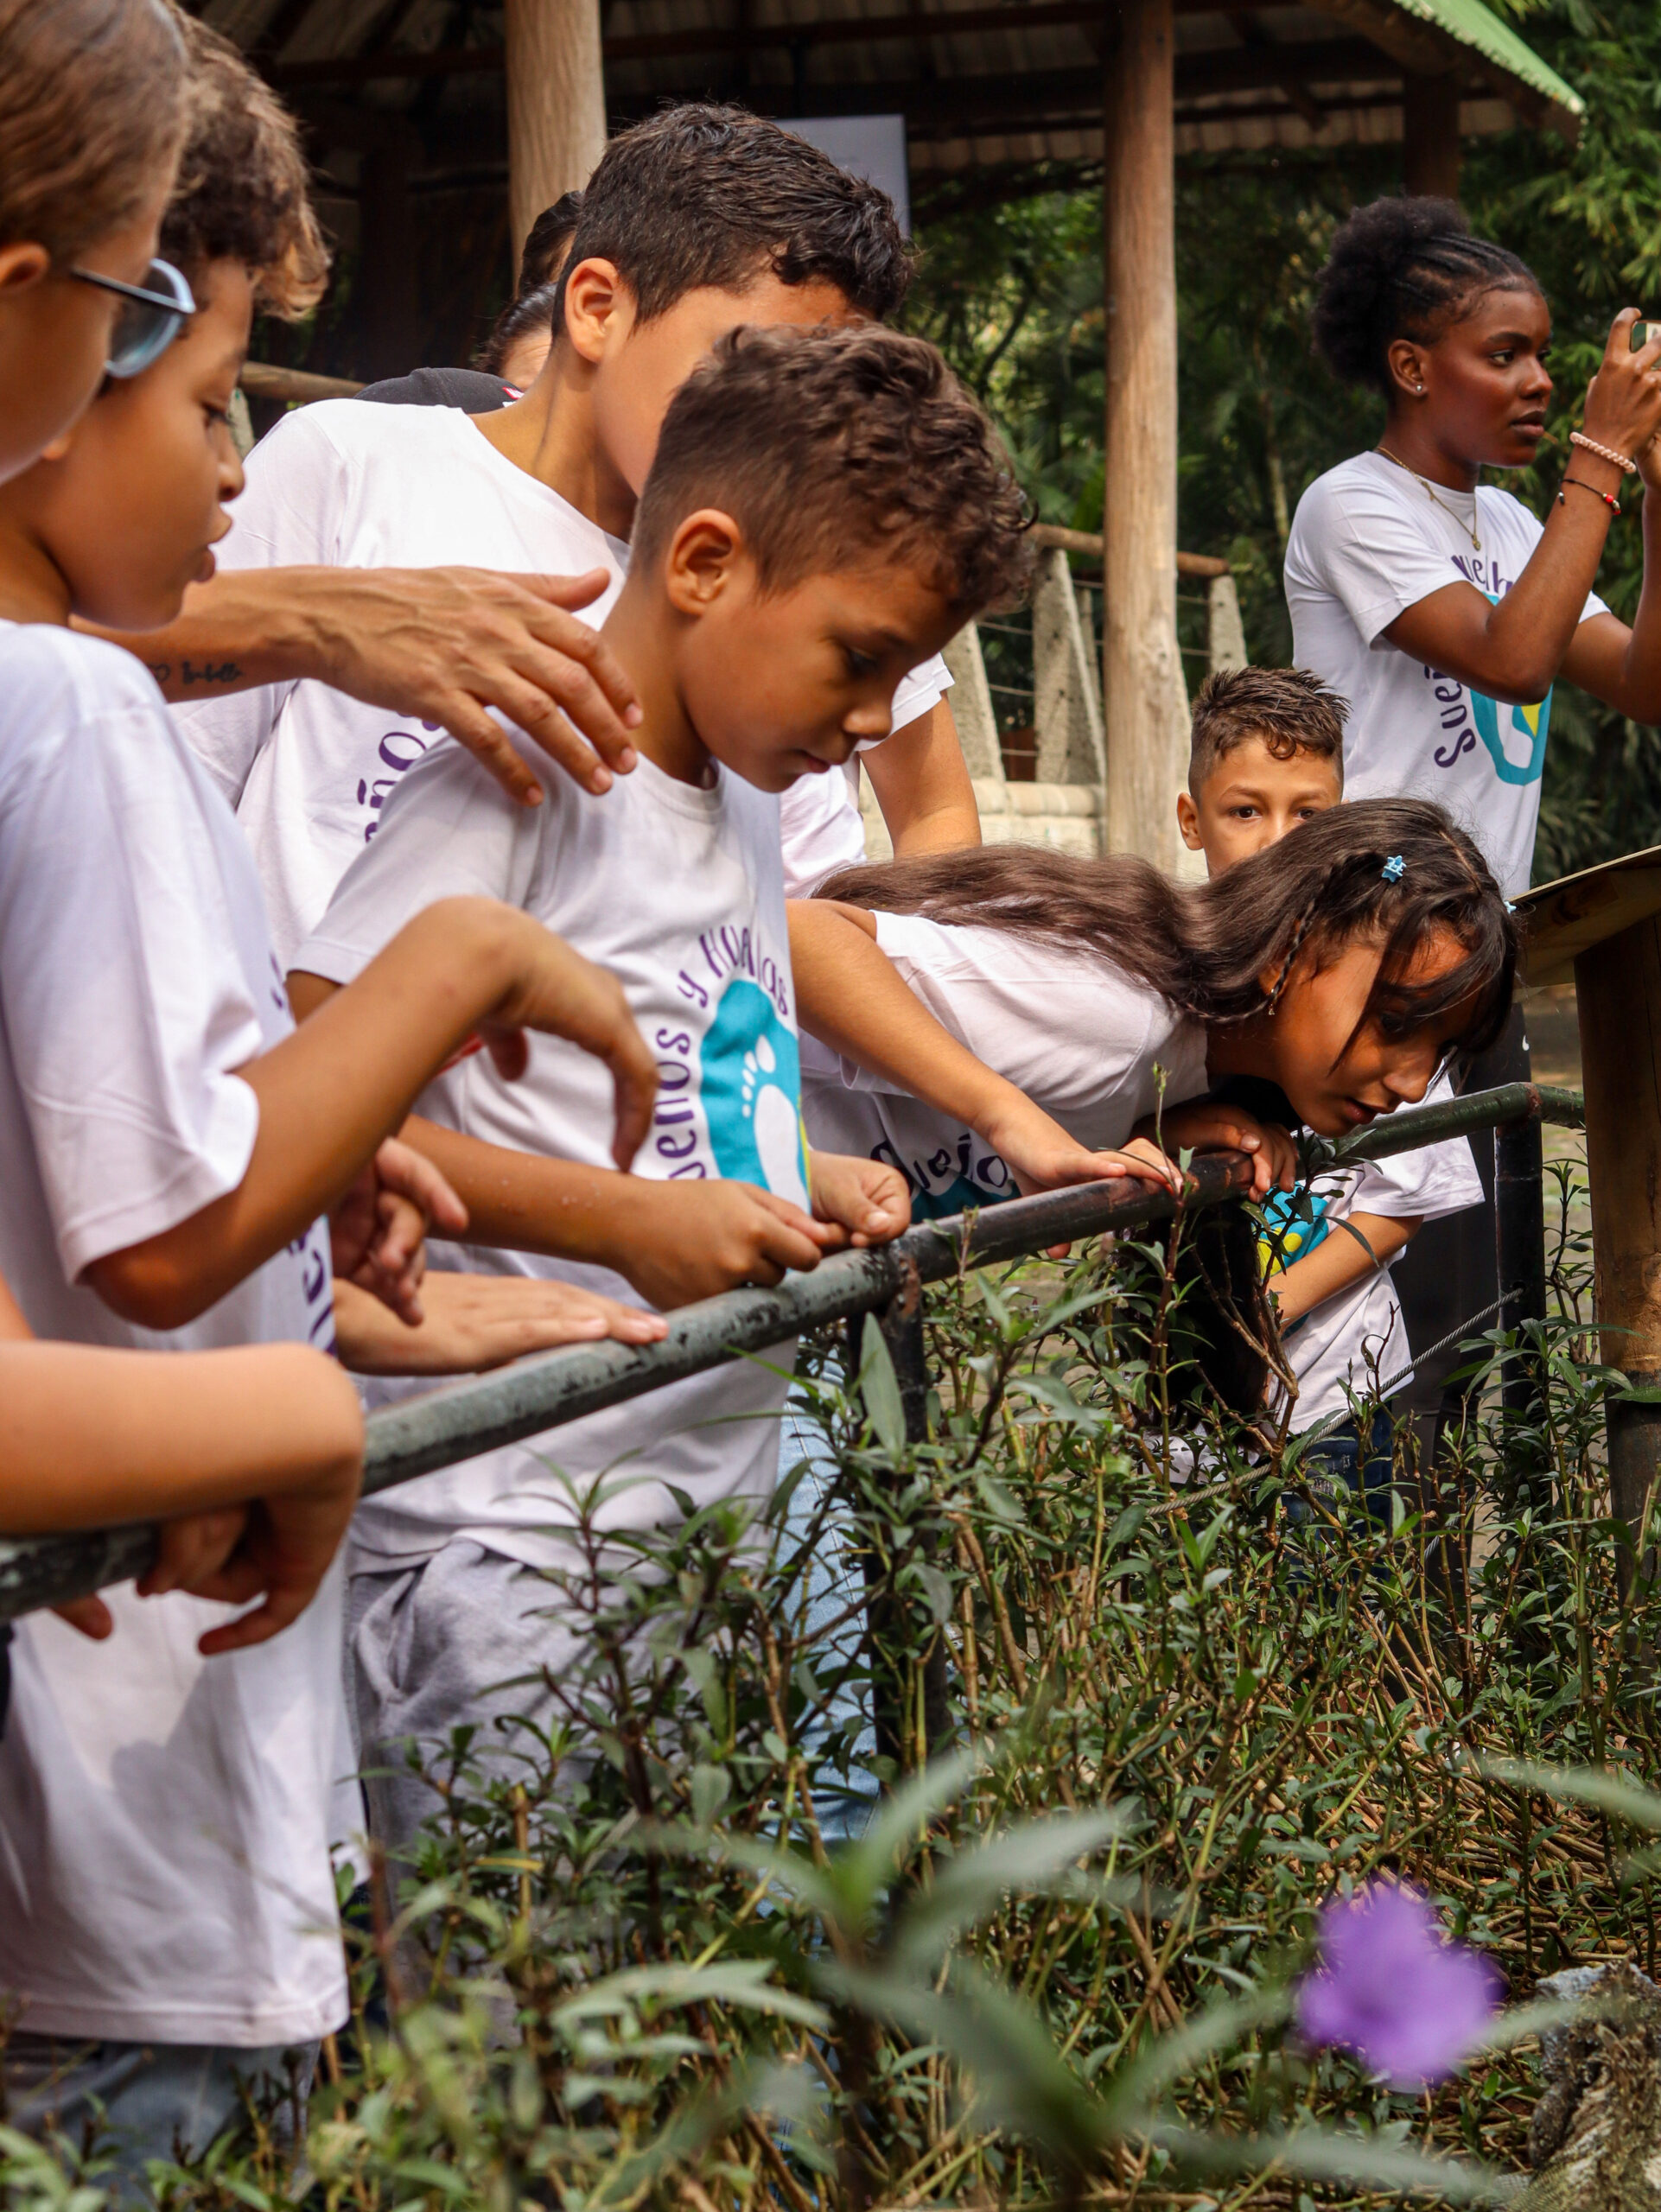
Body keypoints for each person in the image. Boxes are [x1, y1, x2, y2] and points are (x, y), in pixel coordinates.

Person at [0, 35, 670, 2181]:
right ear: (48, 339)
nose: (235, 474)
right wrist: (452, 970)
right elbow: (171, 1223)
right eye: (201, 393)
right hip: (132, 1807)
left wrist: (325, 1166)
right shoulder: (79, 709)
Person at [283, 321, 1031, 1864]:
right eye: (861, 656)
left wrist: (783, 1169)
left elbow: (685, 1051)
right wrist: (624, 1221)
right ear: (702, 564)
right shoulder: (524, 777)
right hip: (510, 1543)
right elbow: (307, 1108)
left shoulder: (746, 788)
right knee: (526, 2055)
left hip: (698, 1513)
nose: (882, 719)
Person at [1285, 195, 1661, 1433]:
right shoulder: (1354, 506)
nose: (1538, 380)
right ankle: (1384, 1608)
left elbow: (1644, 684)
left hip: (1476, 961)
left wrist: (1651, 495)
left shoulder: (1510, 523)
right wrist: (1597, 467)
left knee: (1491, 1332)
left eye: (1542, 353)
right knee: (1402, 1349)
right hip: (1376, 967)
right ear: (1410, 367)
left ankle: (1459, 1623)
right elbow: (1508, 659)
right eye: (1501, 354)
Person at [791, 798, 1515, 1217]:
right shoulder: (1113, 1007)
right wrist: (1006, 1113)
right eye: (1394, 1022)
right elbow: (801, 938)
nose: (1416, 1085)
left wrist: (1149, 1128)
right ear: (1287, 947)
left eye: (1441, 1048)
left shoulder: (1182, 1072)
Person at [1175, 667, 1485, 1511]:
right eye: (1246, 810)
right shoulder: (1170, 983)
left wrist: (1263, 1310)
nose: (1276, 838)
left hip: (1330, 1393)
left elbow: (1404, 1198)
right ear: (1189, 818)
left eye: (1307, 814)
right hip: (1178, 1401)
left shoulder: (1381, 987)